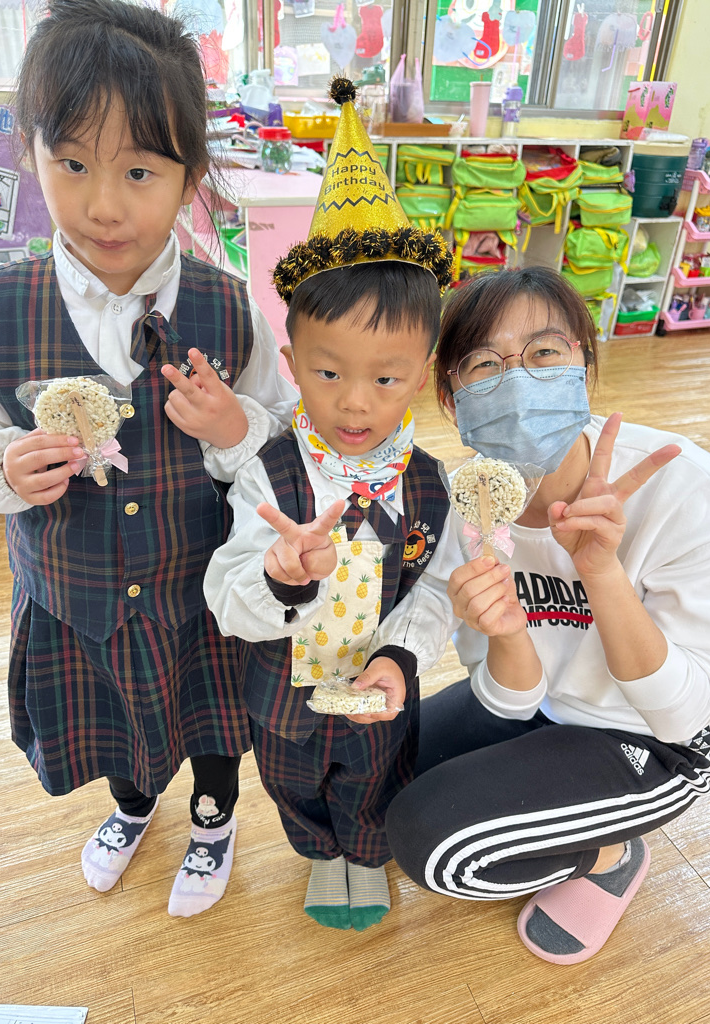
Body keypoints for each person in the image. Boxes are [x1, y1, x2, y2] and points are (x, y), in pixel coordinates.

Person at [0, 0, 297, 918]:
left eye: (140, 171)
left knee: (212, 724)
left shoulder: (230, 309)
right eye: (73, 164)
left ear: (190, 181)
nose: (104, 205)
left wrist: (235, 427)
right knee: (116, 722)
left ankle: (214, 817)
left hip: (202, 593)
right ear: (32, 155)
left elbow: (283, 440)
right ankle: (135, 803)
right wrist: (0, 466)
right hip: (76, 596)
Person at [386, 266, 710, 963]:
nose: (517, 380)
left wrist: (601, 572)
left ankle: (609, 855)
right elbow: (508, 699)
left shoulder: (681, 488)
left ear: (583, 364)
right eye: (485, 364)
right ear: (452, 397)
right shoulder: (468, 501)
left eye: (544, 352)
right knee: (379, 767)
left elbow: (687, 717)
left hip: (654, 740)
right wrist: (503, 635)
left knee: (433, 844)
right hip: (542, 705)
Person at [205, 77, 459, 931]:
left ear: (419, 375)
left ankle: (364, 853)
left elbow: (432, 589)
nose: (354, 402)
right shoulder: (267, 474)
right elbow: (227, 593)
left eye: (386, 378)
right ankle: (320, 852)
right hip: (283, 692)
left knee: (373, 778)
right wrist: (279, 575)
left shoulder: (430, 485)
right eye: (327, 372)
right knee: (292, 777)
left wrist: (403, 659)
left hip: (377, 689)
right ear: (291, 362)